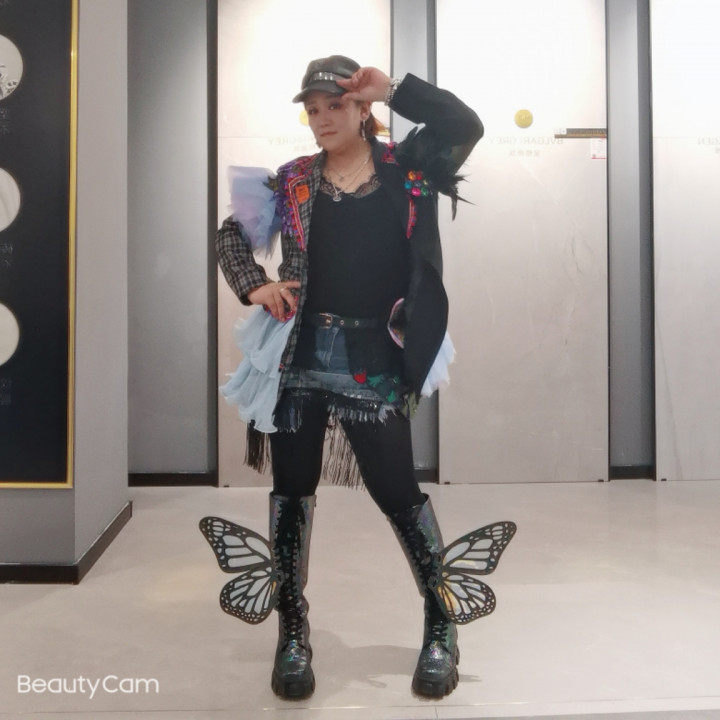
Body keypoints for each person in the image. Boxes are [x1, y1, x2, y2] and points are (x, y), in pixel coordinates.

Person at [201, 55, 515, 700]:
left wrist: (394, 89)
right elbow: (230, 237)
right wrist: (256, 285)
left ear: (361, 107)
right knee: (292, 490)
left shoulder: (410, 166)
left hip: (376, 357)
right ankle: (293, 629)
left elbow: (465, 125)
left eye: (335, 105)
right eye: (313, 109)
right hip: (300, 356)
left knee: (396, 489)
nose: (322, 119)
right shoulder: (293, 181)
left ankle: (441, 622)